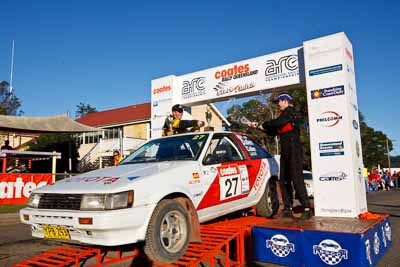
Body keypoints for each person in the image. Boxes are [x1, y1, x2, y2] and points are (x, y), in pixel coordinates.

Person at [255, 93, 312, 220]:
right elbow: (273, 132)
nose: (278, 104)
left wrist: (264, 124)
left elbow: (277, 123)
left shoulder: (291, 112)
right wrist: (259, 128)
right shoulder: (283, 116)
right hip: (285, 152)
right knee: (283, 180)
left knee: (297, 179)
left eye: (279, 102)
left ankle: (307, 208)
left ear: (285, 101)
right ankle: (287, 208)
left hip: (294, 151)